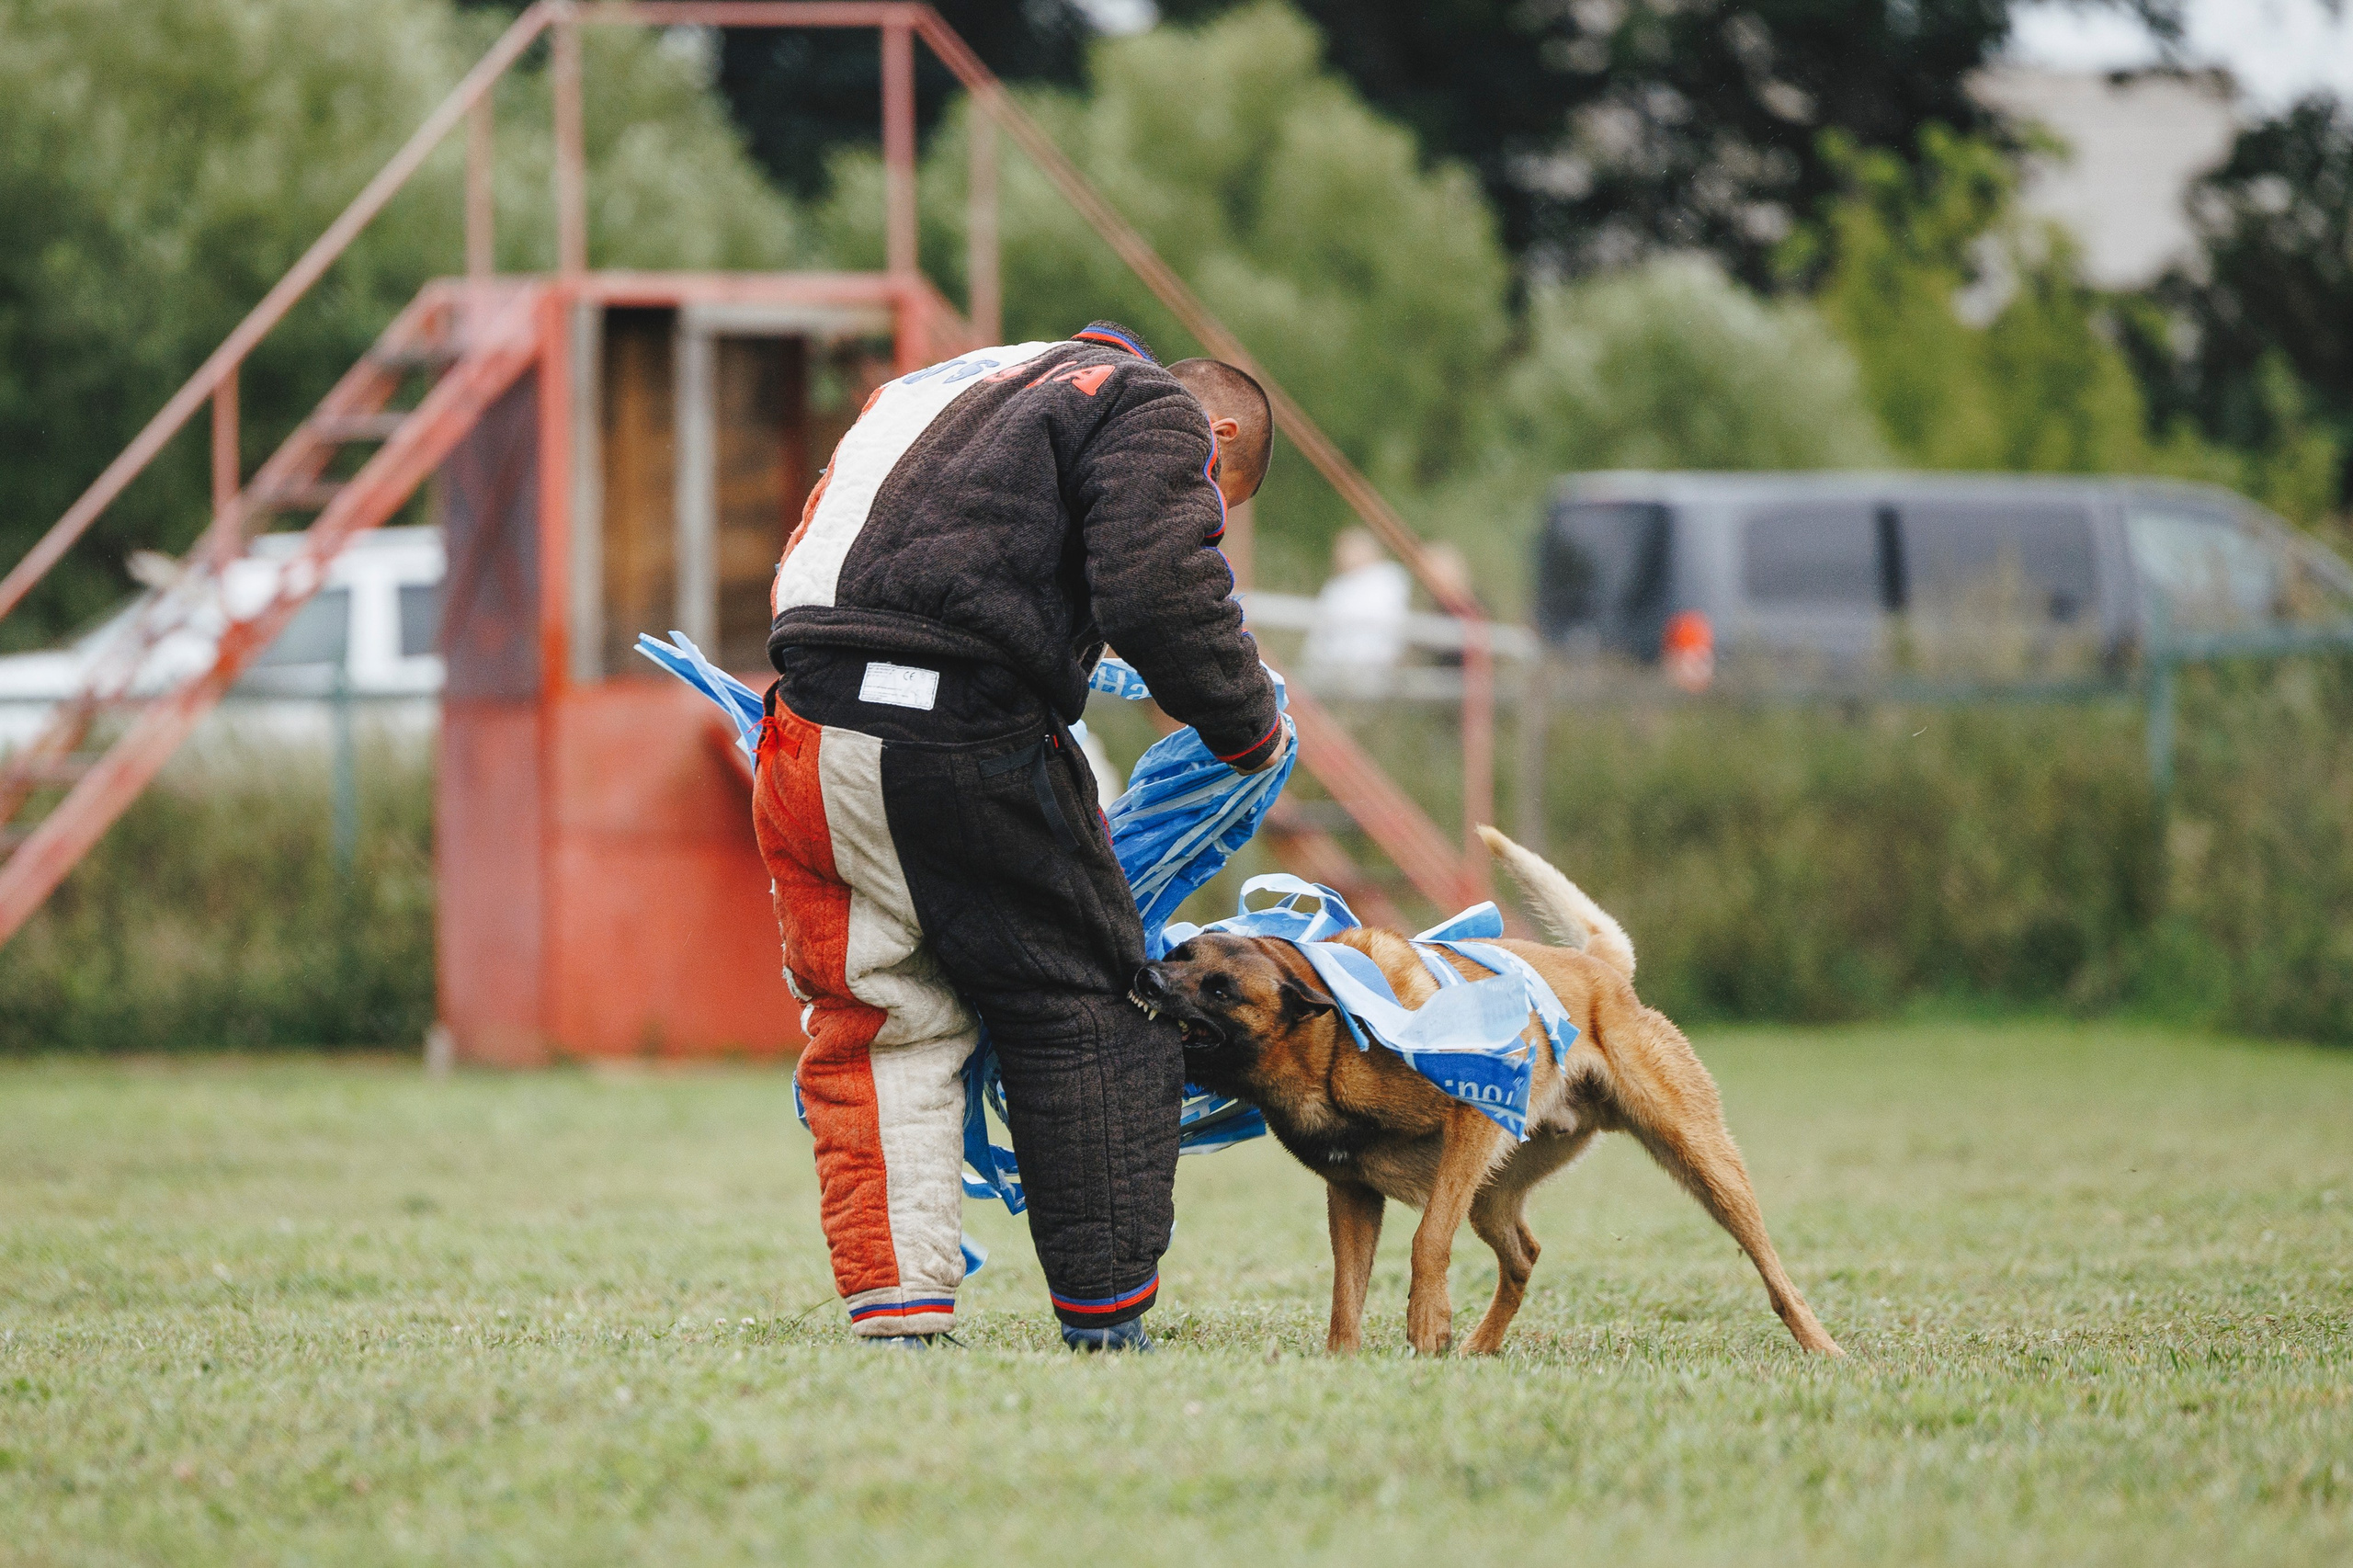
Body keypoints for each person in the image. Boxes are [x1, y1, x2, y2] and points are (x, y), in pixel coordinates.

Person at [757, 321, 1285, 1352]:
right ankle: (1105, 1317)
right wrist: (1248, 724)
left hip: (805, 736)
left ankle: (898, 1315)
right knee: (1082, 1004)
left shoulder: (935, 391)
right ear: (1214, 435)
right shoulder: (1144, 403)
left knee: (878, 1022)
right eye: (1216, 502)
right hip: (965, 734)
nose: (1207, 515)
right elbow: (1157, 583)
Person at [1302, 526, 1410, 688]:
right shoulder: (1335, 587)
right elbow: (1319, 633)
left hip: (1371, 668)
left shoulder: (1388, 580)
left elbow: (1385, 629)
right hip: (1331, 668)